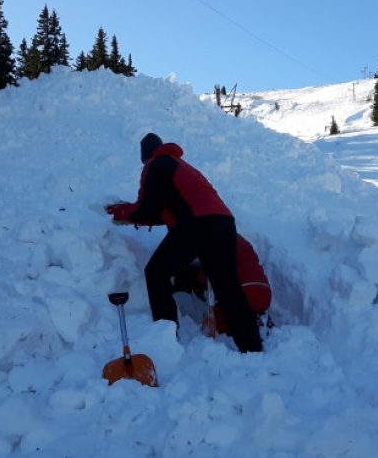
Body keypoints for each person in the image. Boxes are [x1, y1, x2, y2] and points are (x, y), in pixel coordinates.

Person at [105, 133, 263, 353]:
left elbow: (147, 208)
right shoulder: (180, 166)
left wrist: (122, 212)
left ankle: (166, 339)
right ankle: (252, 348)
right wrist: (137, 216)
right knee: (228, 288)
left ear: (145, 155)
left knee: (156, 273)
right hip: (224, 223)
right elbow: (165, 211)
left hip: (197, 223)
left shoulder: (155, 164)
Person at [172, 233, 272, 335]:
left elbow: (209, 269)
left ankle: (247, 326)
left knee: (220, 320)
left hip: (243, 292)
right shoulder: (238, 239)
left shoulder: (212, 242)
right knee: (249, 307)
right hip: (265, 292)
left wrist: (199, 279)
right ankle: (259, 318)